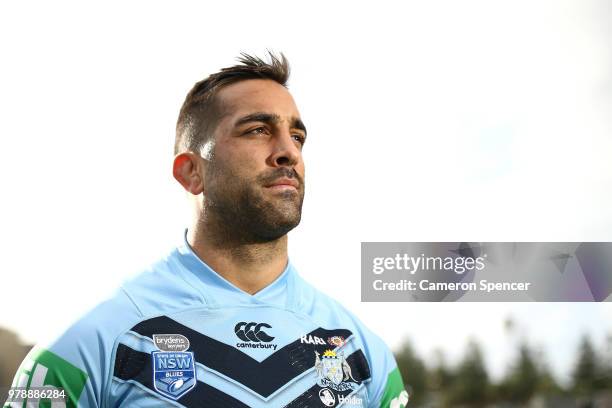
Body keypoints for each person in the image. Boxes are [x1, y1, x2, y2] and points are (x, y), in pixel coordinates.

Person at [4, 52, 408, 408]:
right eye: (257, 130)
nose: (289, 151)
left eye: (297, 136)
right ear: (191, 172)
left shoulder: (362, 351)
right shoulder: (89, 344)